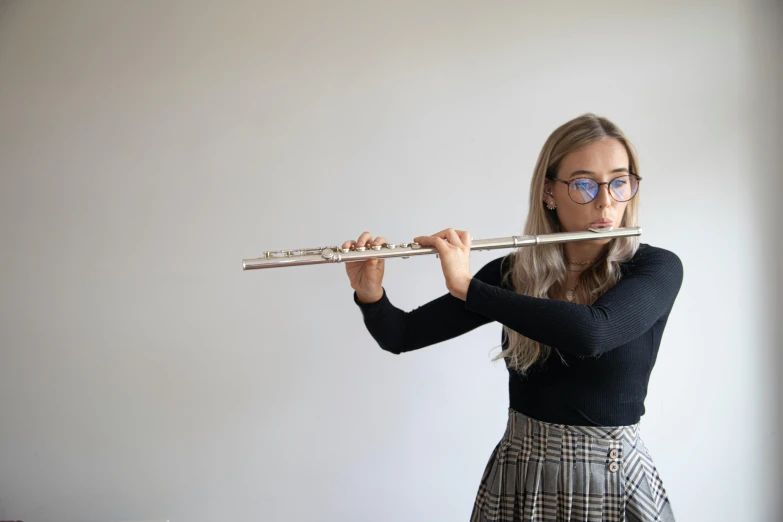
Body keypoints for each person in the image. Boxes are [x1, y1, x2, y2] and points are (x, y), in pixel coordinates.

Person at [343, 113, 683, 522]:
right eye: (584, 184)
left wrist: (469, 288)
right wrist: (370, 292)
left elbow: (593, 332)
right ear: (549, 193)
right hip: (521, 477)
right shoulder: (513, 274)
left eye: (619, 181)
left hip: (611, 478)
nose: (606, 201)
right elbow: (401, 334)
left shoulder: (655, 268)